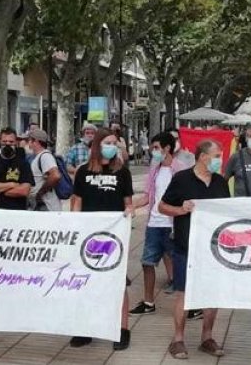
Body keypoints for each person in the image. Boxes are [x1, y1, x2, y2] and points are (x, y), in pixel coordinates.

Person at [158, 140, 230, 360]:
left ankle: (207, 337)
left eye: (221, 156)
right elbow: (162, 206)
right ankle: (178, 339)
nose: (220, 159)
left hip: (213, 249)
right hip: (185, 246)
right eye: (216, 155)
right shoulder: (182, 179)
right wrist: (181, 209)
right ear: (202, 156)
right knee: (184, 292)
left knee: (211, 293)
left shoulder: (220, 182)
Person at [70, 129, 134, 350]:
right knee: (86, 281)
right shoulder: (83, 172)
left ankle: (122, 329)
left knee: (118, 283)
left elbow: (128, 202)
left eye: (115, 143)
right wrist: (74, 226)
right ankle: (85, 328)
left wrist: (129, 212)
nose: (112, 146)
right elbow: (77, 201)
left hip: (113, 235)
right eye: (108, 142)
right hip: (88, 234)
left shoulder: (122, 172)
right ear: (97, 145)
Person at [130, 132, 191, 315]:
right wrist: (129, 206)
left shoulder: (180, 170)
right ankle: (148, 302)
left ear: (167, 148)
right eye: (152, 147)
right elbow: (148, 196)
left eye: (156, 147)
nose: (153, 151)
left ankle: (191, 304)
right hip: (154, 224)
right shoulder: (154, 170)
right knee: (147, 262)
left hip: (173, 224)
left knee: (182, 264)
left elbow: (185, 198)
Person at [0, 127, 34, 210]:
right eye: (4, 142)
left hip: (17, 211)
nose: (8, 144)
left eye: (11, 142)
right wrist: (12, 185)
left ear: (16, 143)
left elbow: (24, 191)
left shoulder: (24, 164)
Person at [25, 129, 61, 212]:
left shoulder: (45, 156)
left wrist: (40, 194)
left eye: (29, 140)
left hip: (46, 206)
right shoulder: (38, 157)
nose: (28, 143)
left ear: (36, 141)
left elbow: (55, 176)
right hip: (41, 206)